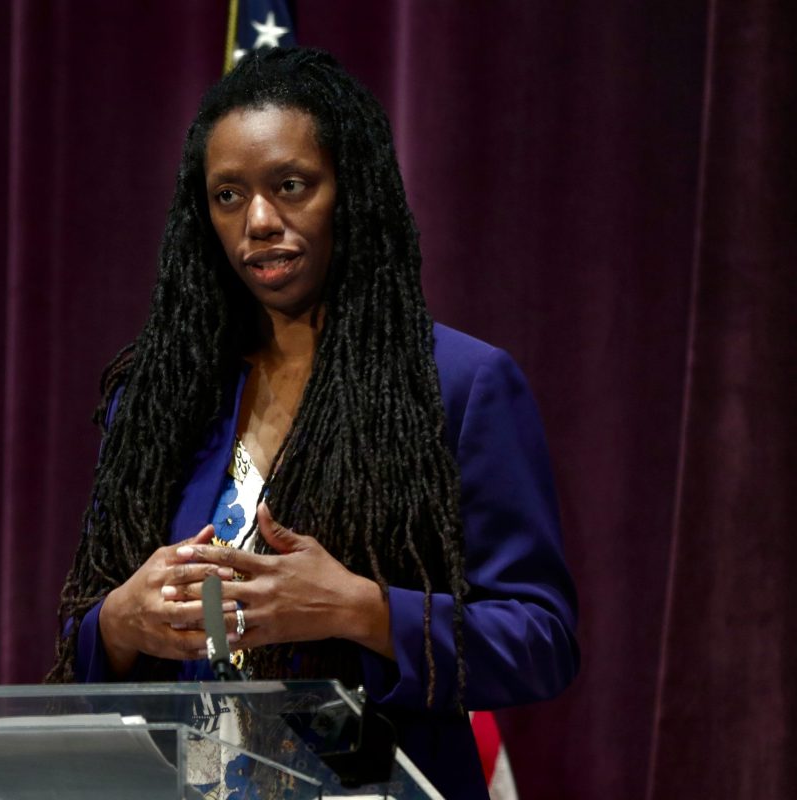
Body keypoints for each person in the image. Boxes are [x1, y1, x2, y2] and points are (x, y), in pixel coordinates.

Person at [48, 47, 578, 799]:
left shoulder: (459, 385)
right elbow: (86, 632)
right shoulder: (160, 397)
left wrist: (363, 610)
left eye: (290, 186)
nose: (259, 221)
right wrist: (116, 626)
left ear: (350, 192)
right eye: (228, 196)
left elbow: (541, 641)